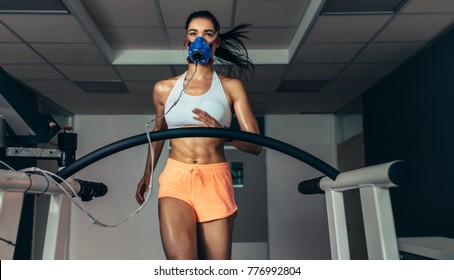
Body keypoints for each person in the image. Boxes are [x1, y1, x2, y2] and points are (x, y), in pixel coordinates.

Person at [135, 10, 262, 260]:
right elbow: (159, 133)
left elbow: (255, 145)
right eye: (194, 33)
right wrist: (147, 173)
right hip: (176, 178)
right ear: (186, 40)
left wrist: (223, 133)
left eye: (207, 34)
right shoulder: (163, 89)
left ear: (216, 41)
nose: (200, 39)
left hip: (215, 179)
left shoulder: (231, 87)